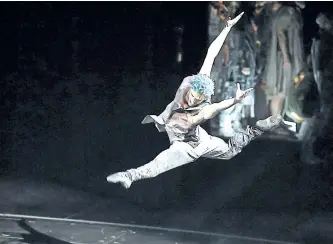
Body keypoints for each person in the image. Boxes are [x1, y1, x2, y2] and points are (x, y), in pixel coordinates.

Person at [106, 12, 283, 189]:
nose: (191, 100)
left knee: (224, 153)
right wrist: (227, 28)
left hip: (189, 145)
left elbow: (217, 108)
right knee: (226, 152)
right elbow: (211, 54)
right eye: (192, 96)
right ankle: (129, 175)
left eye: (196, 100)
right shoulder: (194, 82)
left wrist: (235, 101)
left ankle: (129, 175)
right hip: (189, 134)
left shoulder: (202, 110)